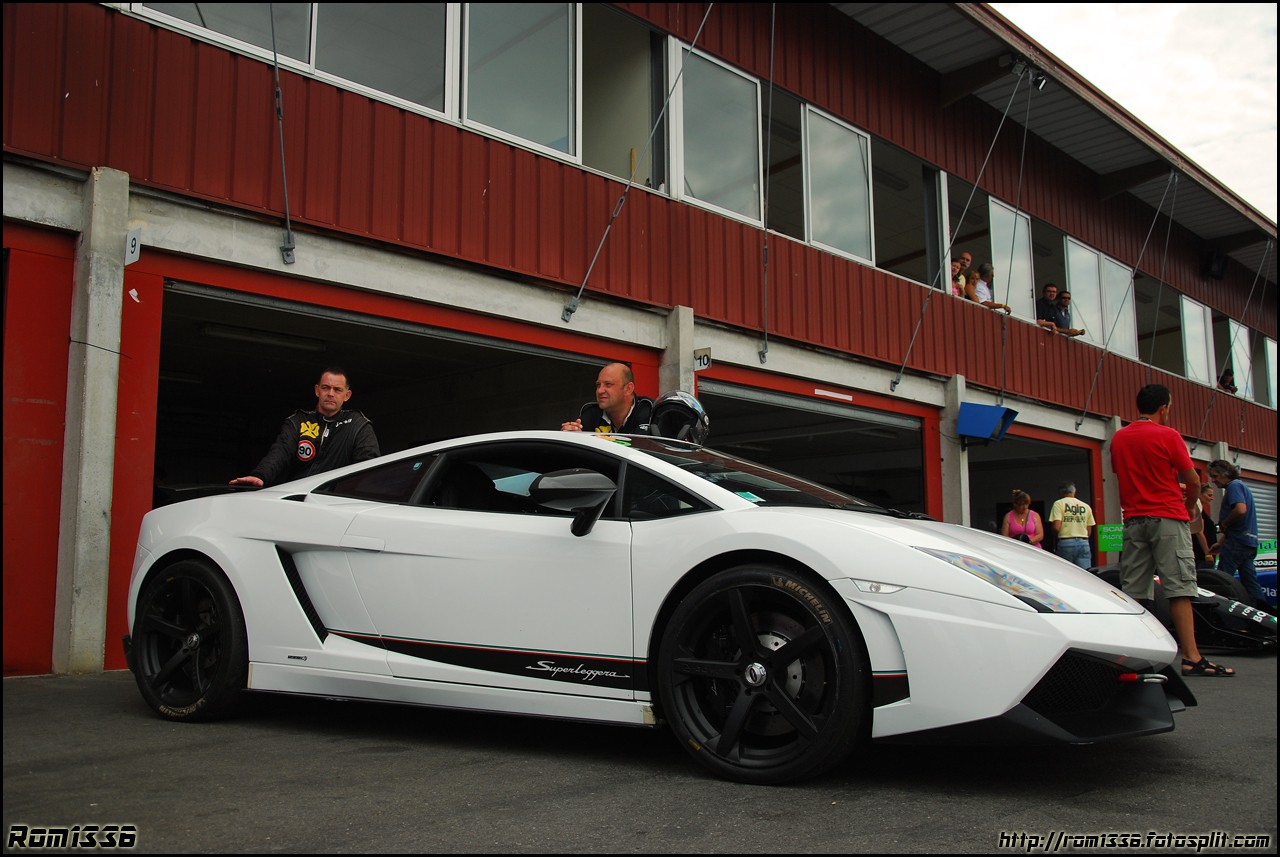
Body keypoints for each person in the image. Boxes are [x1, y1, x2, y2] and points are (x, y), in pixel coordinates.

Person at [1109, 384, 1233, 677]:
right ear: (1164, 408)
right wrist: (1191, 506)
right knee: (1179, 588)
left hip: (1134, 520)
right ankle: (1191, 657)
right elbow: (1192, 480)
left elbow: (1127, 473)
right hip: (1167, 518)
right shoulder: (1168, 435)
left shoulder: (1119, 437)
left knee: (1134, 591)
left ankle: (1130, 655)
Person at [230, 367, 380, 487]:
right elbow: (279, 453)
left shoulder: (358, 424)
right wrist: (259, 476)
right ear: (317, 390)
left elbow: (368, 467)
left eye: (337, 389)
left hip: (335, 503)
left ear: (347, 395)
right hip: (297, 499)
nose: (330, 394)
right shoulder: (298, 421)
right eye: (326, 388)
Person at [1207, 459, 1266, 609]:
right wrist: (1221, 543)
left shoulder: (1234, 486)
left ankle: (1219, 613)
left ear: (1225, 474)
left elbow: (1240, 510)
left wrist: (1224, 524)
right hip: (1248, 542)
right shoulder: (1242, 486)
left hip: (1237, 543)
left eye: (1215, 476)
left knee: (1220, 580)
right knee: (1250, 582)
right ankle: (1261, 613)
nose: (1213, 481)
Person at [561, 362, 653, 434]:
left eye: (608, 384)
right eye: (598, 385)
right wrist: (570, 435)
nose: (600, 391)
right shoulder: (592, 413)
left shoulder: (650, 411)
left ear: (628, 389)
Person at [1048, 482, 1095, 569]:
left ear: (1061, 493)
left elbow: (1056, 527)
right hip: (1084, 543)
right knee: (1085, 574)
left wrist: (1055, 538)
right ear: (1074, 491)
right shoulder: (1085, 506)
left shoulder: (1059, 504)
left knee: (1066, 573)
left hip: (1066, 542)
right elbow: (1089, 530)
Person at [1191, 482, 1218, 569]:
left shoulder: (1201, 511)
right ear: (1199, 494)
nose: (1212, 498)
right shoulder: (1198, 511)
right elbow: (1199, 532)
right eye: (1209, 495)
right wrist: (1207, 553)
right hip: (1201, 556)